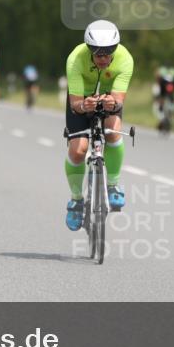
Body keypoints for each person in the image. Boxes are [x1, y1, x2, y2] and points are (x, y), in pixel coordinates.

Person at [63, 19, 134, 231]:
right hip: (81, 101)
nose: (103, 59)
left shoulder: (125, 59)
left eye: (108, 53)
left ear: (115, 49)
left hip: (108, 97)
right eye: (98, 53)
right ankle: (76, 201)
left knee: (113, 130)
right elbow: (75, 103)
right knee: (78, 151)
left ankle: (112, 186)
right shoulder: (75, 58)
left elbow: (119, 99)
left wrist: (113, 102)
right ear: (89, 49)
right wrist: (84, 105)